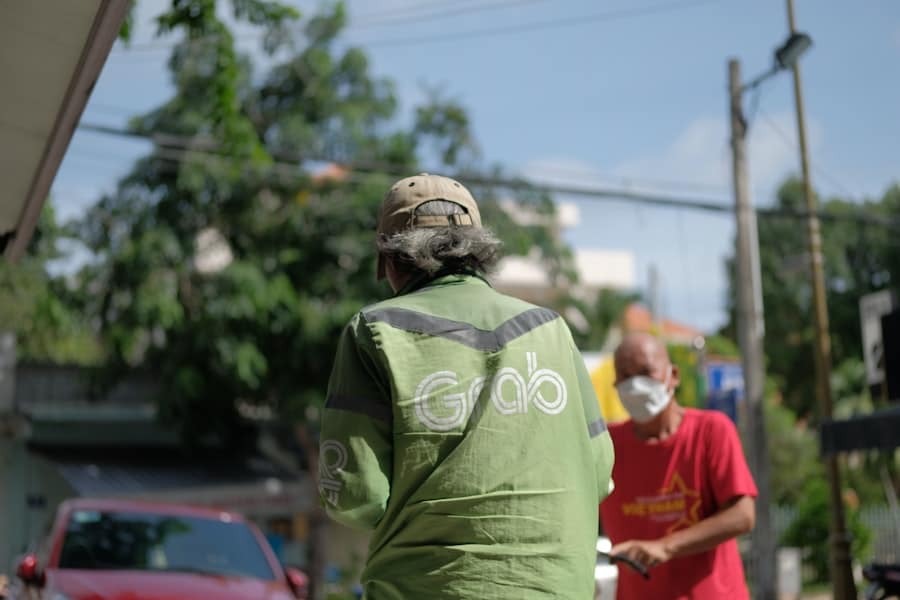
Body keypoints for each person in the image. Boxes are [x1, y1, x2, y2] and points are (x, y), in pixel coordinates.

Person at [318, 173, 615, 599]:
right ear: (478, 250)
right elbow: (600, 472)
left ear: (389, 259)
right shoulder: (550, 329)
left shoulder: (374, 330)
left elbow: (356, 497)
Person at [598, 333, 757, 599]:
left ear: (673, 375)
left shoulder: (711, 431)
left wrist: (665, 547)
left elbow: (743, 515)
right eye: (625, 375)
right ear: (615, 383)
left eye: (646, 371)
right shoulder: (605, 445)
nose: (635, 383)